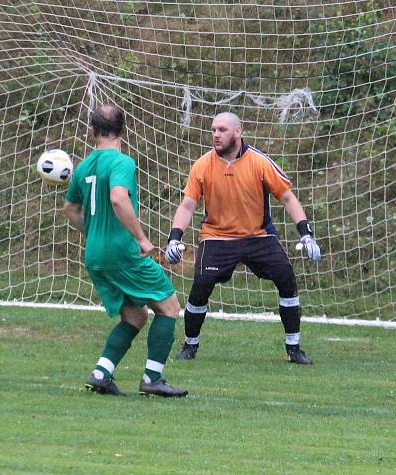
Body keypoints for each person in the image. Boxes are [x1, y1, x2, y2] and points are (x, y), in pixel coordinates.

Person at [165, 112, 321, 364]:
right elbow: (187, 205)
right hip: (216, 237)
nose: (216, 134)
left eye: (222, 130)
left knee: (286, 278)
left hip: (258, 236)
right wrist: (174, 238)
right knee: (201, 284)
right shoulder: (202, 165)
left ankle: (293, 349)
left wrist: (306, 234)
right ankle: (190, 346)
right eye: (213, 129)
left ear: (238, 132)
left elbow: (288, 198)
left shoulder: (260, 162)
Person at [64, 104, 187, 397]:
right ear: (123, 130)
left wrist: (95, 233)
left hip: (95, 254)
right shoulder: (121, 163)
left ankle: (100, 374)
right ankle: (152, 379)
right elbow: (119, 198)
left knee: (135, 317)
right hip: (122, 252)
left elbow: (70, 209)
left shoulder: (82, 167)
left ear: (92, 131)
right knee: (169, 307)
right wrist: (142, 239)